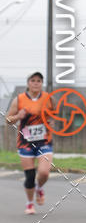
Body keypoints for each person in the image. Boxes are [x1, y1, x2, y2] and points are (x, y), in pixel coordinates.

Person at [5, 72, 54, 214]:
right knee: (30, 176)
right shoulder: (19, 99)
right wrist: (18, 116)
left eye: (39, 80)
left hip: (44, 141)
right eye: (33, 80)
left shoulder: (48, 98)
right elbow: (8, 120)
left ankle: (39, 188)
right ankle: (30, 204)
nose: (36, 83)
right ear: (28, 83)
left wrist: (51, 121)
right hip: (25, 142)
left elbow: (54, 115)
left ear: (42, 83)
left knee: (44, 172)